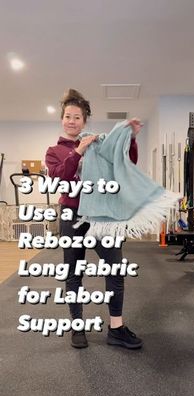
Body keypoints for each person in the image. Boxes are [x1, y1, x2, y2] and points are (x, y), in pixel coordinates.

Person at [45, 89, 143, 349]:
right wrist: (77, 152)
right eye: (68, 116)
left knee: (114, 269)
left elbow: (125, 162)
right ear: (62, 119)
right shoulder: (54, 151)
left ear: (85, 121)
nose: (72, 121)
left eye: (77, 117)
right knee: (74, 273)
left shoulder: (98, 144)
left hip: (101, 215)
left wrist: (129, 139)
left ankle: (117, 329)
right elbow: (58, 179)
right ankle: (77, 326)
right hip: (72, 214)